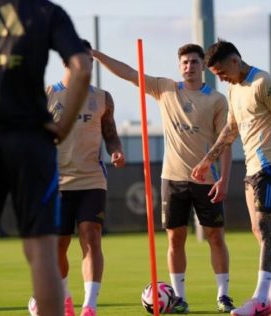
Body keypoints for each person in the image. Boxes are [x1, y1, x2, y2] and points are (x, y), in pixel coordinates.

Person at [0, 0, 92, 315]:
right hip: (32, 144)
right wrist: (63, 126)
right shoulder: (47, 11)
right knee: (41, 253)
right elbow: (82, 67)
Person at [92, 44, 235, 313]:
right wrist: (98, 56)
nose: (189, 67)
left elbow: (225, 143)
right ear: (179, 65)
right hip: (173, 178)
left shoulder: (217, 100)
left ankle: (223, 295)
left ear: (203, 66)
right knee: (175, 239)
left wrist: (224, 179)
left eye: (194, 62)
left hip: (207, 180)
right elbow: (129, 74)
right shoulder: (165, 89)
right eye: (184, 62)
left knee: (216, 237)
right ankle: (179, 297)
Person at [191, 40, 271, 316]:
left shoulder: (264, 83)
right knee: (260, 231)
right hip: (252, 168)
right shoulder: (233, 89)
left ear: (235, 60)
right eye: (215, 75)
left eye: (221, 71)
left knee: (266, 228)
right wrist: (207, 160)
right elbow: (230, 130)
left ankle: (261, 298)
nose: (220, 77)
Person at [27, 39, 125, 316]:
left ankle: (89, 306)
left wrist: (116, 152)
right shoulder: (47, 95)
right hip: (55, 182)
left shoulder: (102, 98)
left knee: (91, 236)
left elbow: (111, 135)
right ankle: (65, 298)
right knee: (59, 244)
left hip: (92, 179)